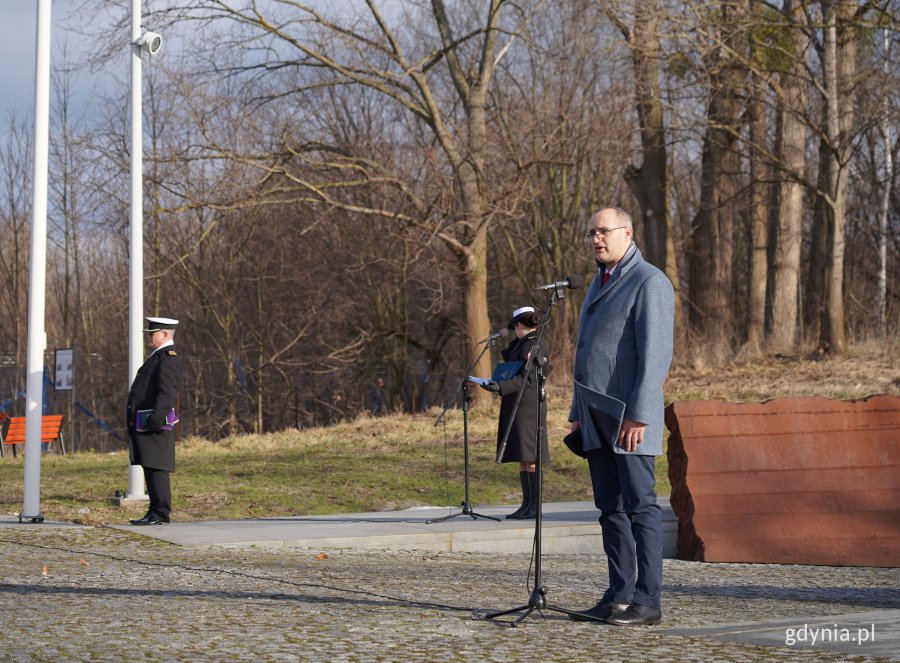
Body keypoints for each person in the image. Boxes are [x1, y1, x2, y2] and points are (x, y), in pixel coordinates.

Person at [568, 207, 674, 626]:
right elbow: (586, 354)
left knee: (640, 507)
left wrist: (640, 416)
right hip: (595, 416)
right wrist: (578, 413)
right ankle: (618, 594)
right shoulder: (599, 281)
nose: (596, 238)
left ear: (627, 232)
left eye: (603, 231)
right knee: (608, 508)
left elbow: (655, 357)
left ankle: (648, 601)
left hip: (629, 420)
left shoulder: (650, 281)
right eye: (591, 232)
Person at [481, 306, 550, 520]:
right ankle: (526, 503)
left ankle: (534, 506)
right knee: (522, 456)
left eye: (516, 327)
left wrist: (501, 387)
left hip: (528, 406)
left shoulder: (534, 345)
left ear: (519, 325)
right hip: (516, 403)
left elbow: (528, 378)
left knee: (530, 456)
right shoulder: (519, 345)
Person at [127, 316, 183, 526]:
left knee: (157, 466)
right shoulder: (158, 356)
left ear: (165, 334)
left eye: (153, 333)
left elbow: (167, 392)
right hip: (149, 421)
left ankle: (160, 512)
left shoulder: (168, 358)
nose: (149, 336)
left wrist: (157, 419)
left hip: (155, 422)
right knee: (151, 466)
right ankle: (155, 511)